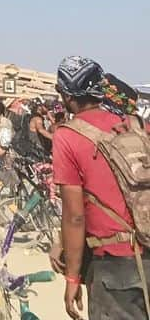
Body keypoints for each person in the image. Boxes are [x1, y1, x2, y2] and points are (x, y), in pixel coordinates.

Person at [52, 55, 149, 320]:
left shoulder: (68, 136)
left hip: (114, 267)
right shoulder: (137, 126)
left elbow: (74, 216)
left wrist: (72, 277)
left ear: (69, 96)